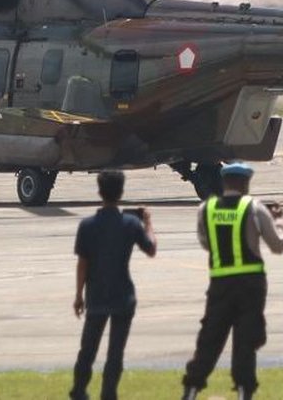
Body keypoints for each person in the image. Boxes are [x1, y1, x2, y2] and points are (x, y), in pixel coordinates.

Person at [181, 161, 283, 400]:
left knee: (210, 338)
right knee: (246, 341)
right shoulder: (254, 208)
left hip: (220, 285)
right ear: (245, 182)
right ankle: (244, 391)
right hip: (250, 286)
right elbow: (277, 246)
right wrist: (277, 221)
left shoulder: (206, 209)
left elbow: (206, 244)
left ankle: (192, 388)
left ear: (224, 181)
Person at [69, 169, 157, 400]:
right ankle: (109, 394)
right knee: (115, 353)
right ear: (121, 192)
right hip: (123, 296)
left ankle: (79, 391)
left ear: (100, 192)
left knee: (87, 350)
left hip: (96, 296)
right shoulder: (130, 223)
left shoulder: (87, 226)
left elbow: (82, 264)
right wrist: (147, 222)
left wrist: (79, 295)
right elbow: (151, 249)